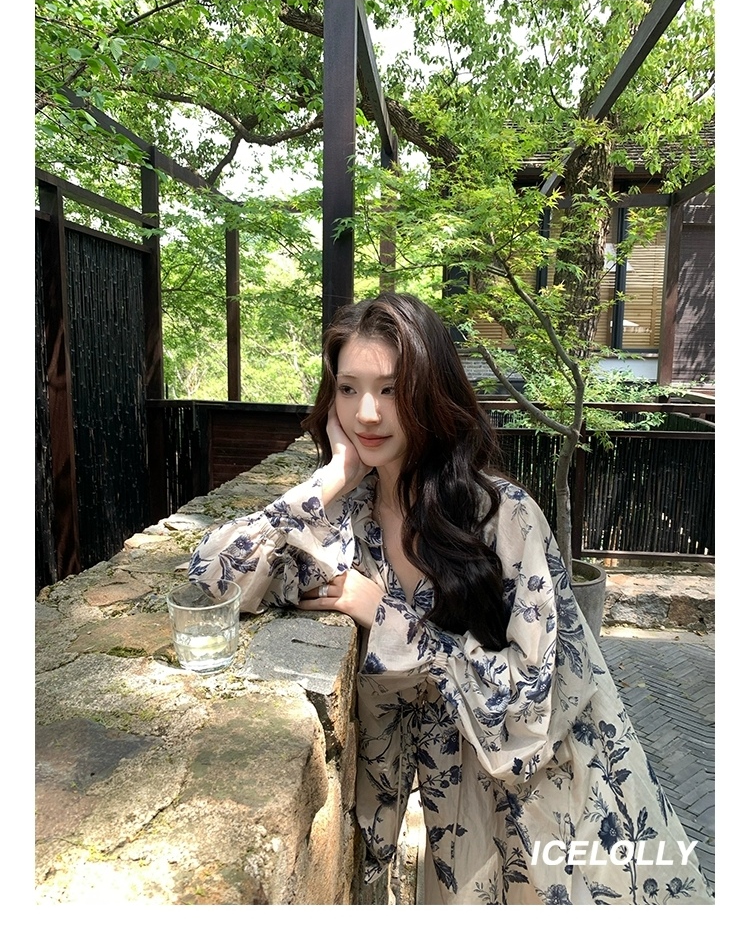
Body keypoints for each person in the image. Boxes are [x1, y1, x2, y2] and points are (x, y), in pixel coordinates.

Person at [188, 293, 714, 905]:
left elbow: (533, 701)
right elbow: (212, 577)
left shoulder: (503, 517)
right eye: (349, 389)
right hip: (456, 824)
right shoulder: (346, 524)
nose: (367, 413)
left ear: (430, 393)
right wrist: (332, 477)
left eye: (390, 390)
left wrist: (389, 620)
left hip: (555, 806)